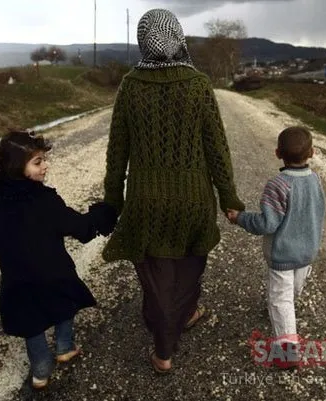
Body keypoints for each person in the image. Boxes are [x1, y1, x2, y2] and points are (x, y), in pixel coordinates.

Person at [101, 8, 245, 373]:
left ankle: (162, 337)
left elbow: (117, 150)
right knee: (189, 266)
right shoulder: (198, 85)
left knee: (154, 270)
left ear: (143, 41)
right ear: (178, 37)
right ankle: (176, 323)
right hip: (194, 198)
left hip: (145, 200)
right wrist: (228, 198)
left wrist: (113, 200)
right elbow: (217, 149)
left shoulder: (131, 85)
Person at [0, 131, 117, 388]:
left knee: (30, 319)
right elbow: (80, 228)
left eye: (44, 159)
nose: (46, 166)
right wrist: (103, 214)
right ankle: (65, 347)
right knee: (63, 303)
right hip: (53, 271)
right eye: (37, 162)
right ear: (16, 166)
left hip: (17, 278)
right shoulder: (43, 199)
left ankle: (41, 369)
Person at [227, 126, 326, 368]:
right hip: (307, 252)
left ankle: (287, 351)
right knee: (292, 291)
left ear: (277, 153)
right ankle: (282, 314)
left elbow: (267, 223)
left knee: (281, 299)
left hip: (283, 254)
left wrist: (240, 218)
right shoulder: (316, 180)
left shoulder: (278, 185)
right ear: (312, 152)